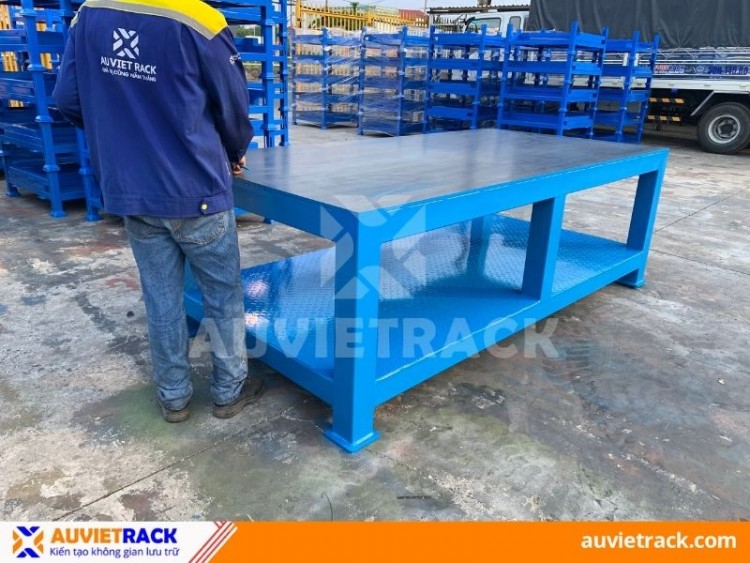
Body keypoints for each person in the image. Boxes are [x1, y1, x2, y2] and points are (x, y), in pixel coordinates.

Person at [54, 0, 263, 422]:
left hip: (133, 191)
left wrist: (121, 137)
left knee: (162, 299)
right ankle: (229, 390)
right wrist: (235, 149)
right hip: (197, 189)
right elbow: (231, 104)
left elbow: (68, 98)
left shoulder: (90, 14)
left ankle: (173, 397)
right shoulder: (200, 19)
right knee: (222, 296)